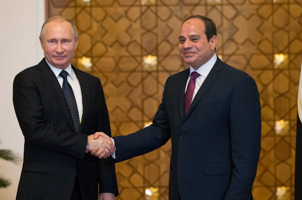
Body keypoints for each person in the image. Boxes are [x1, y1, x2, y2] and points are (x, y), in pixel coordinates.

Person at [93, 15, 261, 200]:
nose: (186, 45)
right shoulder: (174, 83)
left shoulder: (239, 83)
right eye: (182, 40)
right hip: (179, 192)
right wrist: (114, 145)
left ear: (213, 41)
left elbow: (246, 157)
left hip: (220, 193)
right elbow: (158, 131)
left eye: (194, 39)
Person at [13, 16, 118, 200]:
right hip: (43, 189)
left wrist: (107, 188)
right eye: (52, 41)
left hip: (86, 188)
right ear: (41, 42)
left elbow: (103, 136)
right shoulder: (27, 80)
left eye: (66, 41)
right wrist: (85, 142)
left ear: (76, 42)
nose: (59, 49)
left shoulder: (92, 83)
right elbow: (35, 130)